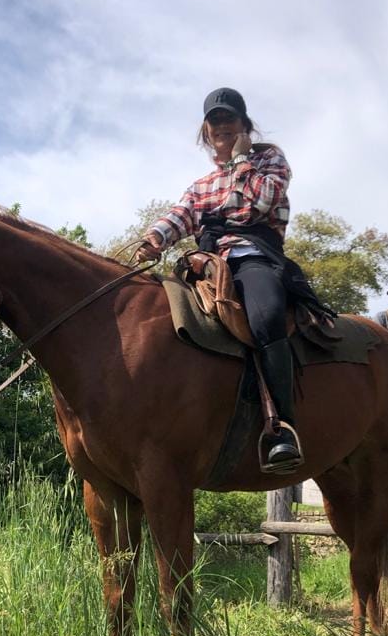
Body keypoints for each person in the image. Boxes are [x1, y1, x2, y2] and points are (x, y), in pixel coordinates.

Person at [135, 87, 333, 474]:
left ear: (245, 125)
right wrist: (154, 237)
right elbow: (181, 214)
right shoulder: (200, 185)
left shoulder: (269, 160)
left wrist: (242, 160)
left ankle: (282, 429)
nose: (221, 125)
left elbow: (261, 201)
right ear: (206, 131)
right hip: (206, 265)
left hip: (254, 258)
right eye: (214, 120)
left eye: (229, 118)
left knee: (266, 314)